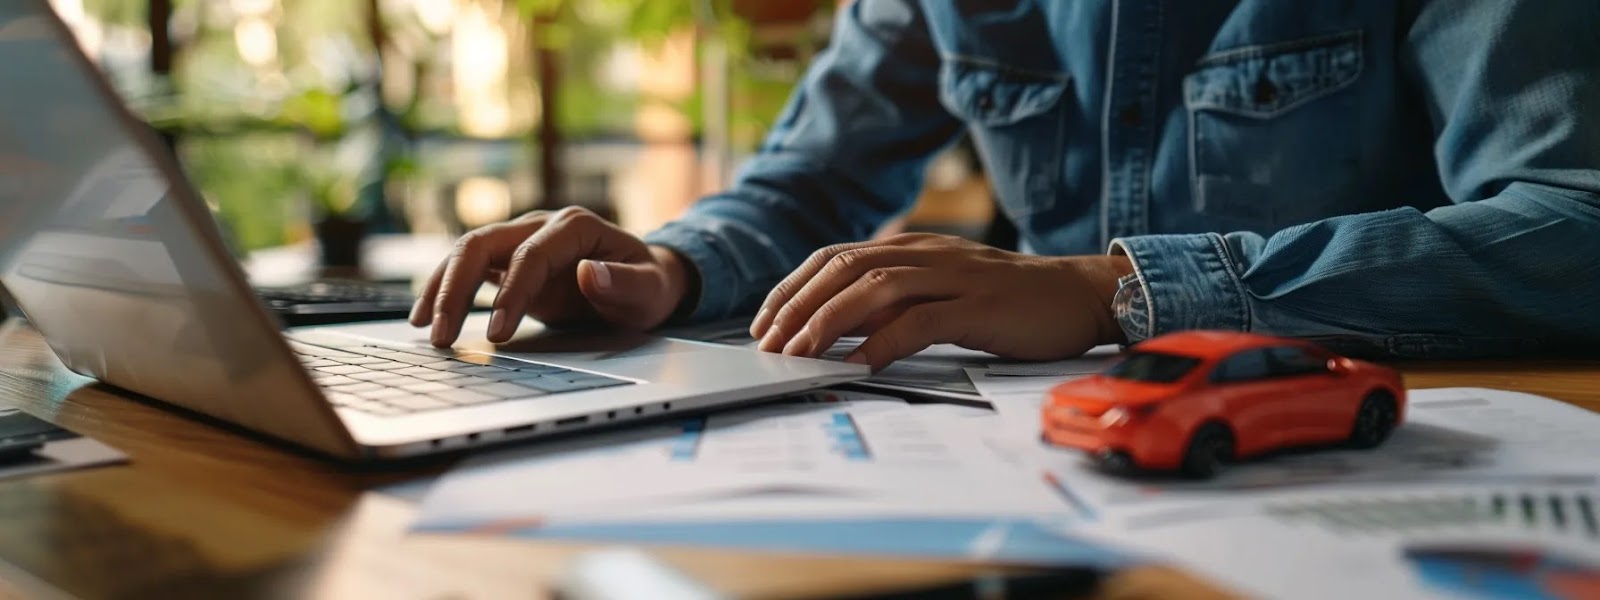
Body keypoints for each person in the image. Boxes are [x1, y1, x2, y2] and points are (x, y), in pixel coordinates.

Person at [412, 0, 1600, 371]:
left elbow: (1574, 223)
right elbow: (804, 186)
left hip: (1373, 463)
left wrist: (1111, 287)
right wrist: (664, 269)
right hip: (1056, 464)